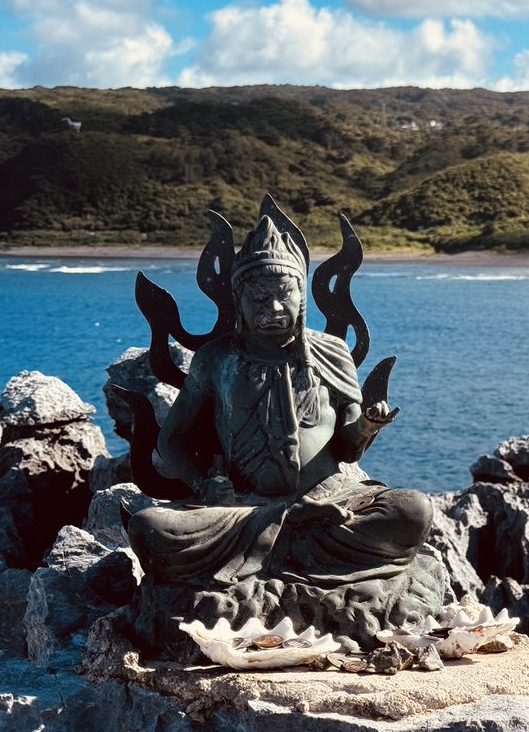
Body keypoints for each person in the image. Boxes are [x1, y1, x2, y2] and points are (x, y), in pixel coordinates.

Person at [126, 213, 434, 590]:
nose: (272, 309)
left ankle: (285, 547)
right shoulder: (216, 358)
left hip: (330, 498)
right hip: (241, 509)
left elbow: (347, 451)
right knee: (149, 529)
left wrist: (368, 426)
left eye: (283, 295)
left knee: (412, 510)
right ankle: (301, 547)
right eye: (259, 299)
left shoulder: (331, 352)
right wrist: (202, 483)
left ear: (301, 296)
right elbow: (171, 439)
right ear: (238, 301)